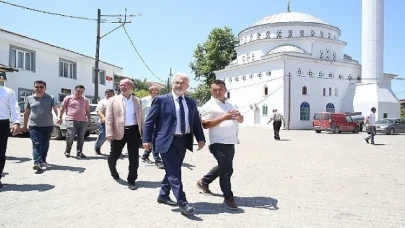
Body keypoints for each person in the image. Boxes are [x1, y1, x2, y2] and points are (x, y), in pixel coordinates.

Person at [143, 73, 205, 215]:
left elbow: (195, 122)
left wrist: (200, 138)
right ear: (172, 84)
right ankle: (182, 203)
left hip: (183, 141)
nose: (178, 85)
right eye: (176, 82)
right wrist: (146, 139)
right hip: (166, 141)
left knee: (172, 170)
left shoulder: (190, 102)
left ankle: (163, 195)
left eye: (182, 83)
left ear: (187, 87)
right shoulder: (161, 100)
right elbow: (149, 122)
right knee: (175, 172)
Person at [196, 79, 244, 210]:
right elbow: (204, 124)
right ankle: (228, 197)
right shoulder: (209, 105)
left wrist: (239, 117)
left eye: (220, 89)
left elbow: (241, 119)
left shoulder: (230, 103)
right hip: (218, 142)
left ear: (225, 89)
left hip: (230, 141)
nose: (218, 92)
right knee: (227, 170)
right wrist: (223, 117)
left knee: (223, 166)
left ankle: (204, 182)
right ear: (211, 90)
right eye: (214, 90)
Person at [105, 79, 144, 190]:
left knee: (134, 157)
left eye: (125, 85)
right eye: (121, 85)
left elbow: (141, 118)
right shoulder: (113, 100)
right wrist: (109, 133)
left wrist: (144, 133)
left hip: (134, 131)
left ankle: (131, 180)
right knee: (114, 155)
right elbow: (109, 118)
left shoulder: (137, 100)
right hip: (118, 131)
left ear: (131, 86)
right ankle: (113, 169)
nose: (122, 87)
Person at [22, 80, 59, 170]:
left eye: (41, 87)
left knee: (45, 144)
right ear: (34, 88)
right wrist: (24, 125)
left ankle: (43, 160)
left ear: (45, 88)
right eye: (37, 87)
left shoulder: (51, 98)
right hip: (34, 126)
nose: (39, 89)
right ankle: (37, 162)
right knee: (37, 143)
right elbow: (26, 113)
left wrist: (59, 116)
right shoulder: (29, 98)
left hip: (48, 125)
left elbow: (55, 108)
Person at [57, 85, 91, 158]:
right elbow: (62, 108)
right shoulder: (68, 98)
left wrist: (89, 119)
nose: (80, 93)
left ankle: (79, 152)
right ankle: (67, 151)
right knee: (70, 137)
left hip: (82, 121)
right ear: (74, 90)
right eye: (78, 91)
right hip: (71, 120)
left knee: (81, 138)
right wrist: (59, 117)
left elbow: (87, 110)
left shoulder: (85, 100)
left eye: (82, 91)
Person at [0, 78, 20, 188]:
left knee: (0, 152)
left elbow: (14, 107)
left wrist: (16, 122)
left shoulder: (7, 92)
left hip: (2, 124)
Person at [141, 85, 164, 169]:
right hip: (147, 124)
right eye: (154, 90)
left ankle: (146, 155)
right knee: (151, 141)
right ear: (150, 91)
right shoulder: (143, 100)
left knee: (155, 142)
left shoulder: (162, 100)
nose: (157, 92)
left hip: (158, 124)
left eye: (158, 90)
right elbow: (139, 112)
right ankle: (157, 160)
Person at [94, 89, 115, 155]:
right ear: (105, 94)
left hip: (114, 123)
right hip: (104, 123)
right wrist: (103, 118)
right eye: (108, 94)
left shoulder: (116, 101)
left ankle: (115, 151)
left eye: (111, 94)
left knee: (115, 138)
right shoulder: (102, 102)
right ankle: (97, 148)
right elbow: (99, 111)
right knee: (102, 136)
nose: (110, 95)